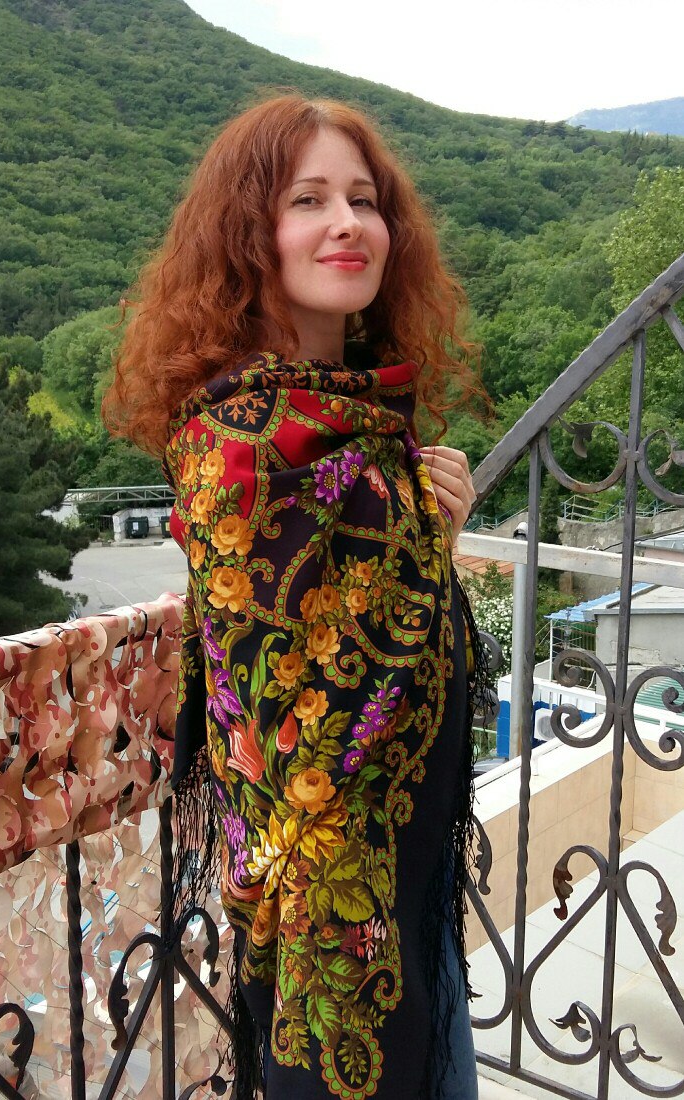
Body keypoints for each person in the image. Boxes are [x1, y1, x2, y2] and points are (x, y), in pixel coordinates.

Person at [103, 93, 487, 1100]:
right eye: (307, 200)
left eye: (364, 199)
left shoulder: (352, 416)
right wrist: (420, 536)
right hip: (334, 939)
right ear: (249, 233)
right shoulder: (247, 443)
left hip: (407, 892)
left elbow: (359, 630)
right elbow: (307, 726)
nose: (347, 223)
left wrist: (424, 531)